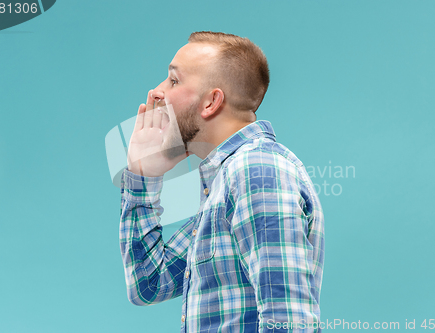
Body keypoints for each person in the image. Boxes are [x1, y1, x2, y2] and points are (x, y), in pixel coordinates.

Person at [119, 31, 325, 333]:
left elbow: (290, 323)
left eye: (174, 81)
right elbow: (148, 284)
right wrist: (143, 175)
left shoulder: (257, 171)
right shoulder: (225, 183)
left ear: (211, 102)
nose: (156, 92)